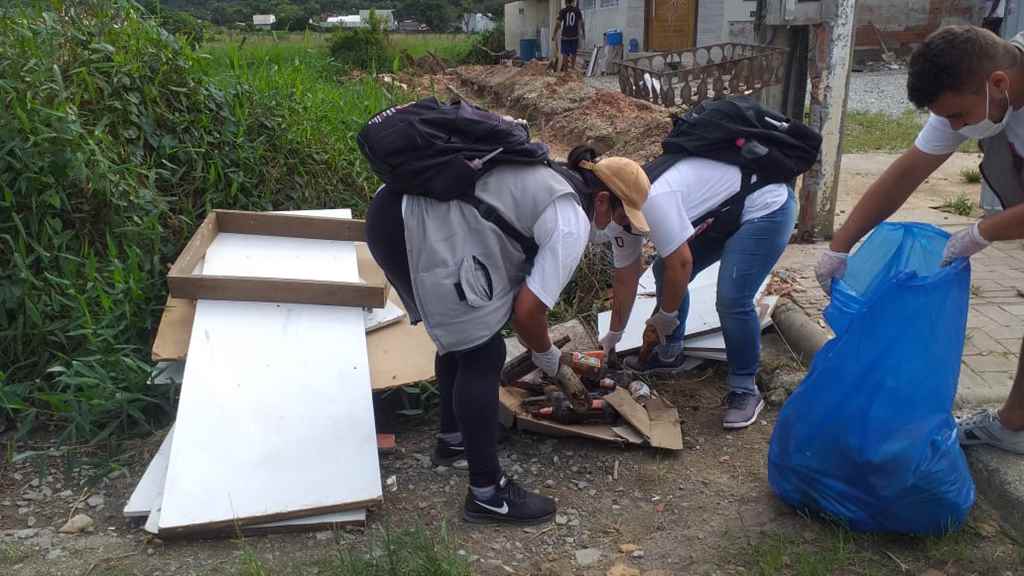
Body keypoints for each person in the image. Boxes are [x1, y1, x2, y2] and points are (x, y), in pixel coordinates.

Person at [365, 146, 650, 525]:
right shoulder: (570, 220)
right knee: (483, 350)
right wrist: (549, 360)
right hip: (411, 225)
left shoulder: (553, 183)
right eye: (621, 217)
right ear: (601, 200)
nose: (620, 228)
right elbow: (528, 314)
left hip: (395, 216)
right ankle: (487, 494)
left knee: (464, 338)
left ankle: (455, 440)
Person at [815, 25, 1024, 455]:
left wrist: (982, 231)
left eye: (957, 118)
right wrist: (841, 244)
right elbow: (906, 173)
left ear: (998, 83)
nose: (954, 127)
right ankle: (1013, 425)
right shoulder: (975, 92)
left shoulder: (980, 91)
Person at [587, 144, 798, 430]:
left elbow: (682, 265)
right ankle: (670, 353)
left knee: (732, 297)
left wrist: (665, 316)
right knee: (662, 269)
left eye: (626, 217)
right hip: (726, 213)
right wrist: (613, 335)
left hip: (767, 208)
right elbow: (626, 278)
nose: (625, 223)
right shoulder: (624, 209)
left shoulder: (653, 200)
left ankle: (744, 388)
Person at [552, 0, 584, 72]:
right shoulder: (577, 10)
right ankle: (572, 69)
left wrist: (554, 34)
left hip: (565, 36)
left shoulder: (563, 11)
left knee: (565, 53)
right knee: (573, 53)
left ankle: (566, 71)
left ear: (565, 2)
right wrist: (583, 33)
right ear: (573, 2)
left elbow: (558, 23)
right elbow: (582, 23)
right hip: (574, 36)